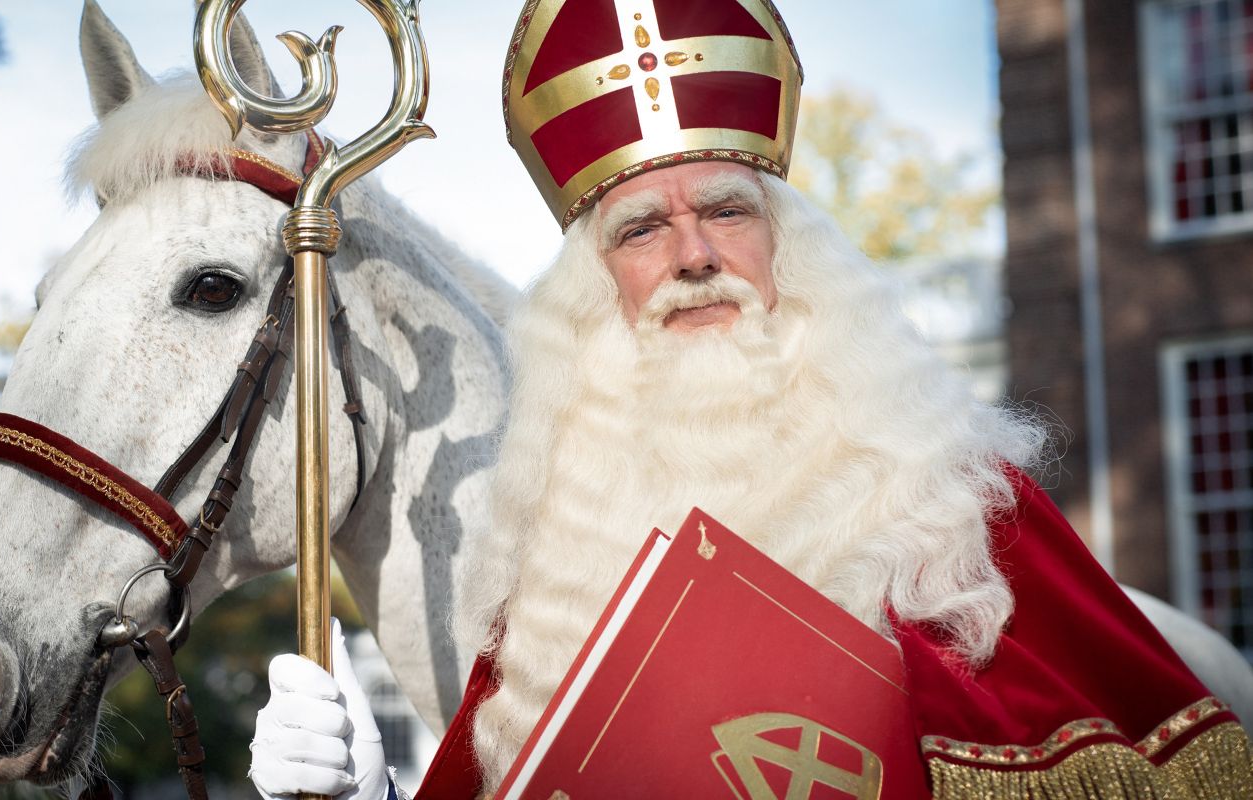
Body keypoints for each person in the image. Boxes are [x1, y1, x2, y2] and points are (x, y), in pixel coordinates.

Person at [248, 1, 1253, 798]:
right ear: (595, 294)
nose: (693, 256)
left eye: (727, 211)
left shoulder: (961, 506)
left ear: (791, 252)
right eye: (641, 230)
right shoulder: (556, 566)